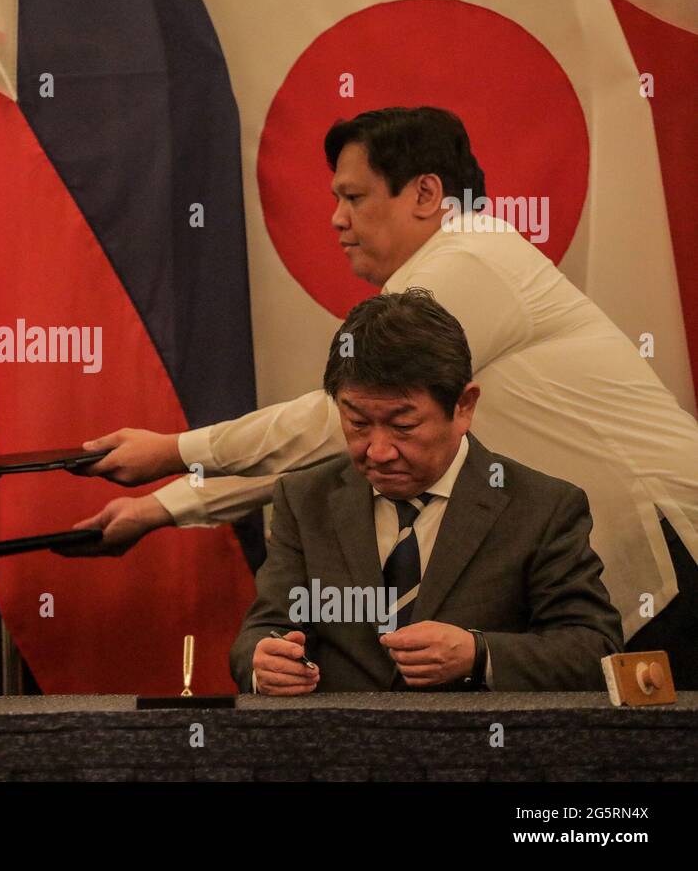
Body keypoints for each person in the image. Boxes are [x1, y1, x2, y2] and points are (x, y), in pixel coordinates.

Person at [76, 106, 698, 686]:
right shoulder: (452, 269)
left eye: (354, 196)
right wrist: (164, 506)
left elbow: (329, 426)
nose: (336, 219)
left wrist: (173, 452)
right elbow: (354, 440)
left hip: (669, 538)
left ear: (427, 194)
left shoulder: (472, 256)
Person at [234, 289, 622, 693]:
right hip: (339, 746)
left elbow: (595, 650)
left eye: (403, 426)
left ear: (463, 407)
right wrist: (264, 663)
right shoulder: (305, 499)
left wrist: (479, 654)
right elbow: (264, 629)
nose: (378, 451)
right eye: (358, 424)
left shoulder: (542, 507)